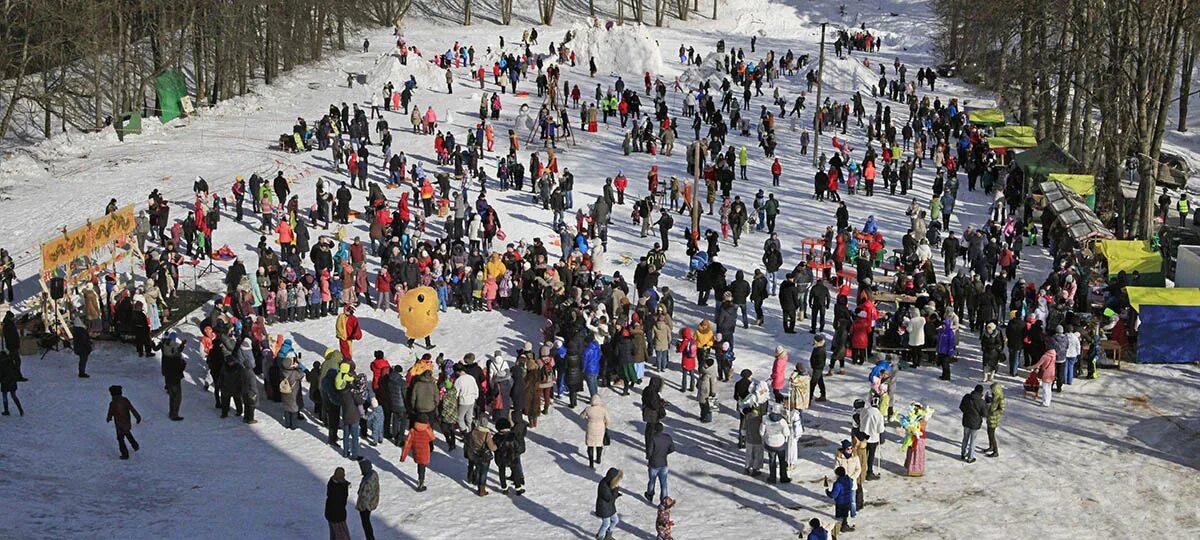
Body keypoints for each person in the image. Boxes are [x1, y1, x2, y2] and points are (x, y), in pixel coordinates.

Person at [400, 417, 436, 491]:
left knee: (420, 466)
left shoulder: (412, 431)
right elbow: (432, 438)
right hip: (425, 452)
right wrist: (428, 427)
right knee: (422, 467)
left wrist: (403, 456)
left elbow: (407, 444)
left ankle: (420, 480)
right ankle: (421, 482)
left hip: (416, 452)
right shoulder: (426, 430)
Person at [105, 385, 141, 459]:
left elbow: (110, 412)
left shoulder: (113, 403)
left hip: (119, 424)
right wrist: (138, 417)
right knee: (127, 433)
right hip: (126, 421)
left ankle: (125, 454)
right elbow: (132, 409)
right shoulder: (125, 400)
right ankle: (135, 445)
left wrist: (109, 418)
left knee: (120, 438)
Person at [465, 415, 497, 496]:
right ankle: (481, 490)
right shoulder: (486, 434)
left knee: (478, 468)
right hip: (484, 456)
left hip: (475, 454)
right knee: (484, 473)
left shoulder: (474, 431)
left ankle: (475, 480)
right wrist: (496, 447)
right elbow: (492, 447)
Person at [761, 402, 792, 483]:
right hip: (780, 444)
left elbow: (761, 432)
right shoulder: (782, 421)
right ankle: (783, 477)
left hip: (770, 443)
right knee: (782, 461)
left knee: (772, 460)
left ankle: (772, 478)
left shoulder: (765, 419)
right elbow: (787, 433)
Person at [645, 421, 675, 503]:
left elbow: (649, 451)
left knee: (652, 481)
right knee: (664, 483)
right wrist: (664, 454)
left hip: (654, 464)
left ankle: (650, 495)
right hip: (664, 463)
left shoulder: (653, 438)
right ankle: (664, 500)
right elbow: (672, 449)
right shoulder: (667, 437)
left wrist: (649, 457)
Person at [159, 333, 186, 421]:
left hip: (169, 376)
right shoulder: (176, 359)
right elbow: (181, 367)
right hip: (175, 379)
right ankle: (174, 414)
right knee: (177, 397)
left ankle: (172, 413)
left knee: (172, 396)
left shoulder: (166, 356)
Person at [900, 402, 931, 476]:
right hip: (913, 438)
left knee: (915, 453)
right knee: (915, 453)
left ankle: (914, 469)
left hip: (919, 439)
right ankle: (914, 469)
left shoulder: (921, 418)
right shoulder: (913, 419)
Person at [582, 393, 611, 468]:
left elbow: (581, 416)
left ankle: (591, 463)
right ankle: (598, 459)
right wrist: (605, 426)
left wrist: (587, 418)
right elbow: (608, 420)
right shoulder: (603, 409)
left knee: (590, 445)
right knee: (599, 444)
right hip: (601, 428)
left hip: (590, 427)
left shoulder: (588, 409)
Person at [958, 384, 986, 463]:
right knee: (973, 440)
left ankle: (963, 454)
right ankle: (970, 457)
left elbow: (961, 407)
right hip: (975, 423)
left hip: (966, 420)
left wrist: (967, 412)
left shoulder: (967, 397)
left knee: (965, 438)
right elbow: (984, 414)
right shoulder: (981, 402)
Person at [824, 466, 856, 534]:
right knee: (845, 515)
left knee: (839, 517)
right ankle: (844, 525)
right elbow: (851, 485)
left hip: (840, 502)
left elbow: (833, 495)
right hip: (847, 501)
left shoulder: (837, 483)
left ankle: (840, 528)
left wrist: (827, 492)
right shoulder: (849, 480)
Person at [596, 467, 624, 540]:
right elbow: (609, 498)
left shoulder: (610, 484)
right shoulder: (604, 486)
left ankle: (608, 535)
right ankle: (600, 537)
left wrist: (616, 493)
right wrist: (616, 490)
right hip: (603, 508)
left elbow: (611, 496)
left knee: (615, 520)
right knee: (606, 523)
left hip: (610, 507)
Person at [356, 459, 380, 540]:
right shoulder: (372, 474)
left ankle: (370, 538)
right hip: (371, 503)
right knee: (366, 522)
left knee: (366, 523)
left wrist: (363, 507)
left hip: (365, 506)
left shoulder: (368, 481)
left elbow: (365, 497)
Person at [325, 467, 351, 540]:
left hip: (332, 515)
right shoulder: (338, 488)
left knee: (334, 534)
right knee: (341, 535)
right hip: (337, 516)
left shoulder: (332, 483)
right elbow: (341, 499)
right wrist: (345, 486)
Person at [983, 381, 1005, 457]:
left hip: (994, 419)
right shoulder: (994, 396)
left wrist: (993, 413)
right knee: (989, 433)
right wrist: (987, 400)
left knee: (992, 435)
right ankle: (991, 447)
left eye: (993, 389)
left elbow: (1001, 409)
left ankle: (995, 451)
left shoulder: (1000, 398)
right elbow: (991, 403)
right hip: (990, 418)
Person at [1, 351, 24, 416]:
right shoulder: (11, 361)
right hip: (12, 381)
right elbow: (16, 370)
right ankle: (20, 409)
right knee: (13, 396)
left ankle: (6, 411)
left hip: (4, 382)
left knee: (4, 396)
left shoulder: (1, 363)